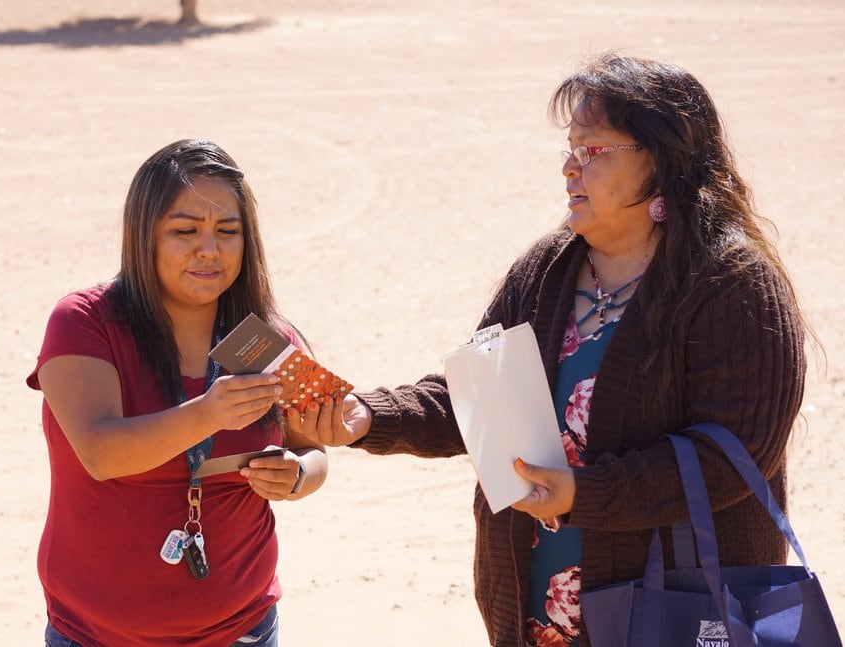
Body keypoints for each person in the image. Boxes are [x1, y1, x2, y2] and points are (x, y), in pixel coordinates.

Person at [290, 53, 807, 646]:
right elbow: (478, 402)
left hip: (678, 617)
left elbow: (733, 456)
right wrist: (368, 416)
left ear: (662, 165)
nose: (568, 167)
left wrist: (584, 495)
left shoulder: (731, 284)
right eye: (569, 147)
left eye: (593, 151)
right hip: (533, 619)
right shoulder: (546, 271)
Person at [27, 139, 328, 646]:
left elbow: (314, 447)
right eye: (185, 231)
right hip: (93, 635)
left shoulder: (266, 339)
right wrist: (207, 414)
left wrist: (297, 476)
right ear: (143, 236)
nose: (208, 249)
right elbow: (101, 452)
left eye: (227, 231)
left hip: (243, 630)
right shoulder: (84, 322)